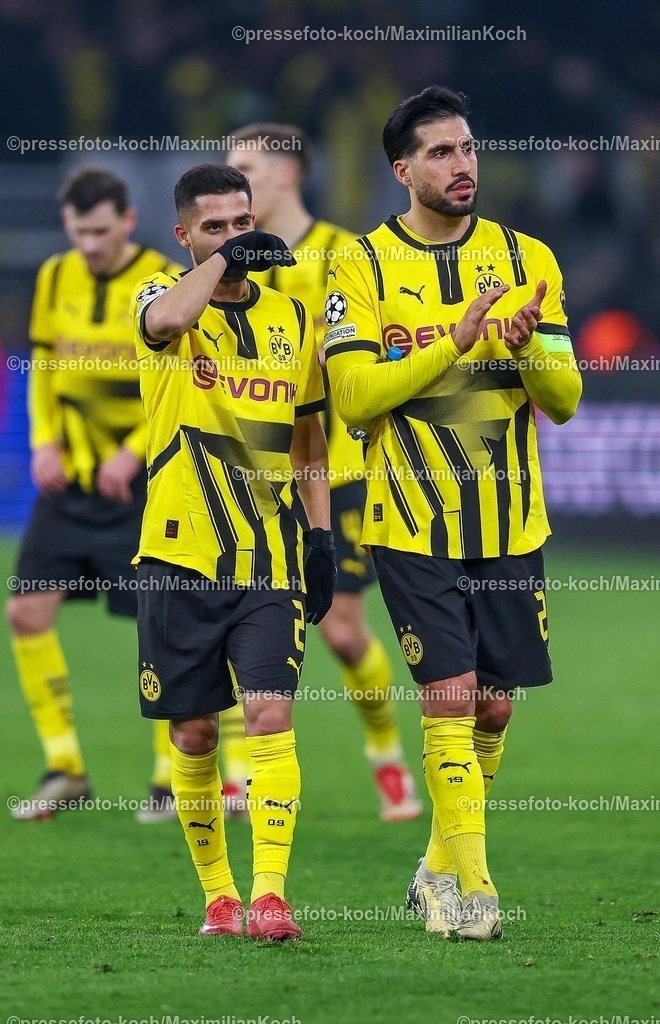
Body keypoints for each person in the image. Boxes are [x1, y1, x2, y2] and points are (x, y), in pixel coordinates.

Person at [325, 86, 582, 940]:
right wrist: (455, 340)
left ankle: (433, 866)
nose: (462, 163)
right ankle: (474, 893)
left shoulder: (526, 257)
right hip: (410, 524)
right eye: (439, 152)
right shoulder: (358, 267)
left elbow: (566, 400)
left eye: (467, 148)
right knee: (449, 695)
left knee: (494, 708)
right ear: (402, 171)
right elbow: (356, 397)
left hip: (509, 525)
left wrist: (522, 349)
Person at [130, 163, 335, 940]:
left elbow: (309, 438)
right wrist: (226, 261)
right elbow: (170, 322)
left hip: (269, 561)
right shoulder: (156, 292)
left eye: (241, 222)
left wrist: (320, 537)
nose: (232, 237)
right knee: (194, 734)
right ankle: (217, 895)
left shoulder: (292, 318)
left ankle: (271, 895)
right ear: (183, 236)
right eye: (212, 227)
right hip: (178, 557)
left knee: (269, 715)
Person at [225, 122, 421, 822]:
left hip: (334, 474)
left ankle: (386, 757)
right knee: (234, 618)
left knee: (340, 631)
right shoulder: (223, 262)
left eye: (245, 164)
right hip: (245, 479)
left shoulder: (345, 254)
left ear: (287, 172)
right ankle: (239, 769)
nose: (235, 177)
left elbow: (387, 350)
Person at [6, 168, 183, 821]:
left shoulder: (164, 281)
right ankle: (65, 768)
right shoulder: (55, 276)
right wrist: (42, 442)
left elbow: (175, 382)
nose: (89, 245)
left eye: (101, 232)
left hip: (139, 487)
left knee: (160, 625)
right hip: (71, 481)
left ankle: (170, 777)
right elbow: (44, 366)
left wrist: (132, 452)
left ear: (128, 221)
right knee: (26, 613)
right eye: (79, 232)